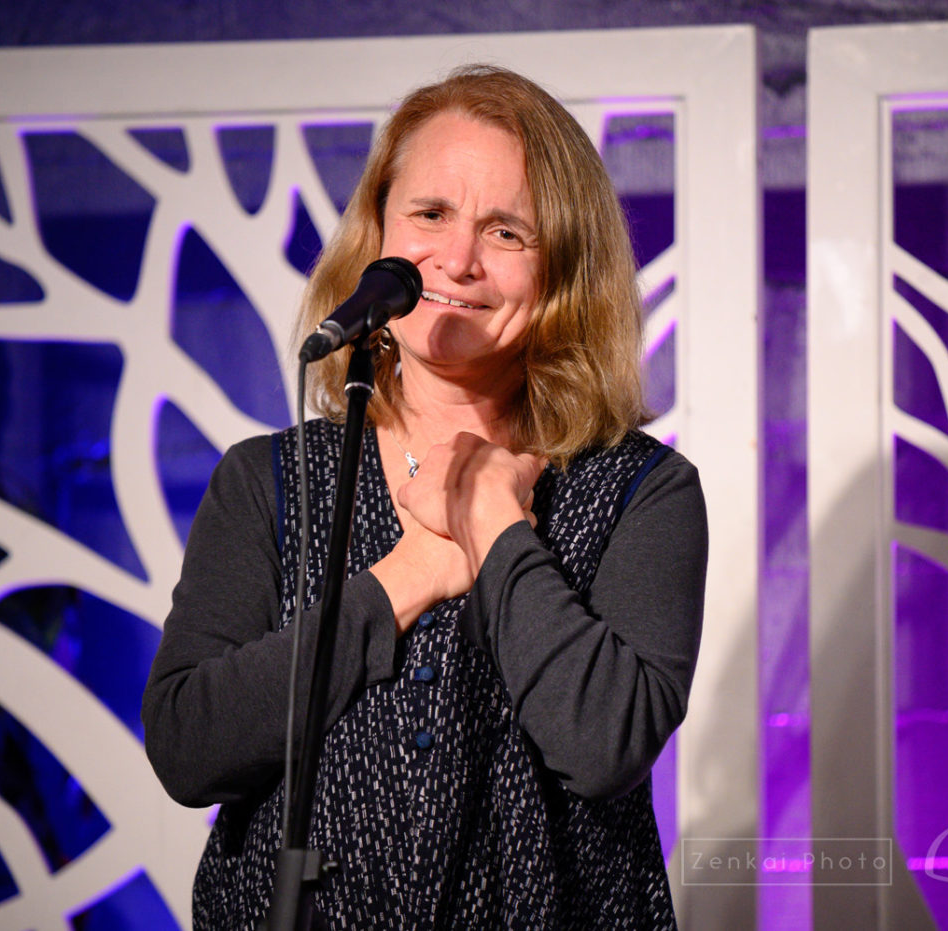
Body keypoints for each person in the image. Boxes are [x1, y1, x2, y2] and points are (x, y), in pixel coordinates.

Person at [142, 64, 708, 929]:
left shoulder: (643, 490)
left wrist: (496, 526)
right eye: (430, 214)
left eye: (507, 231)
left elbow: (605, 743)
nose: (457, 259)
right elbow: (189, 747)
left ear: (562, 268)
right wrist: (403, 579)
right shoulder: (267, 482)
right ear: (377, 232)